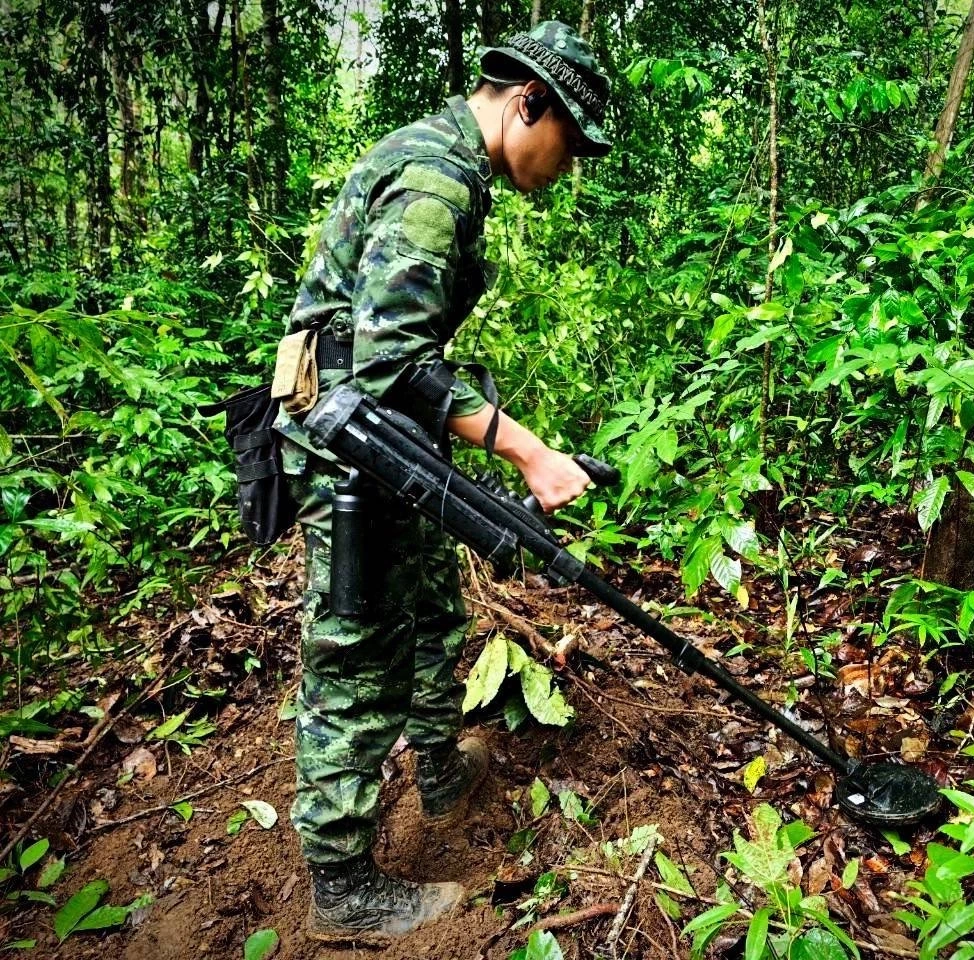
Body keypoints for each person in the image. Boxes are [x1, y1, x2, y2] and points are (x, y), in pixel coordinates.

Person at [273, 21, 611, 943]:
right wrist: (530, 452)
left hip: (391, 438)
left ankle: (435, 764)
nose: (566, 165)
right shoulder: (434, 181)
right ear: (526, 103)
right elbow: (388, 359)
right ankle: (340, 883)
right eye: (567, 142)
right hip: (352, 442)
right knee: (356, 645)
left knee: (429, 606)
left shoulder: (451, 163)